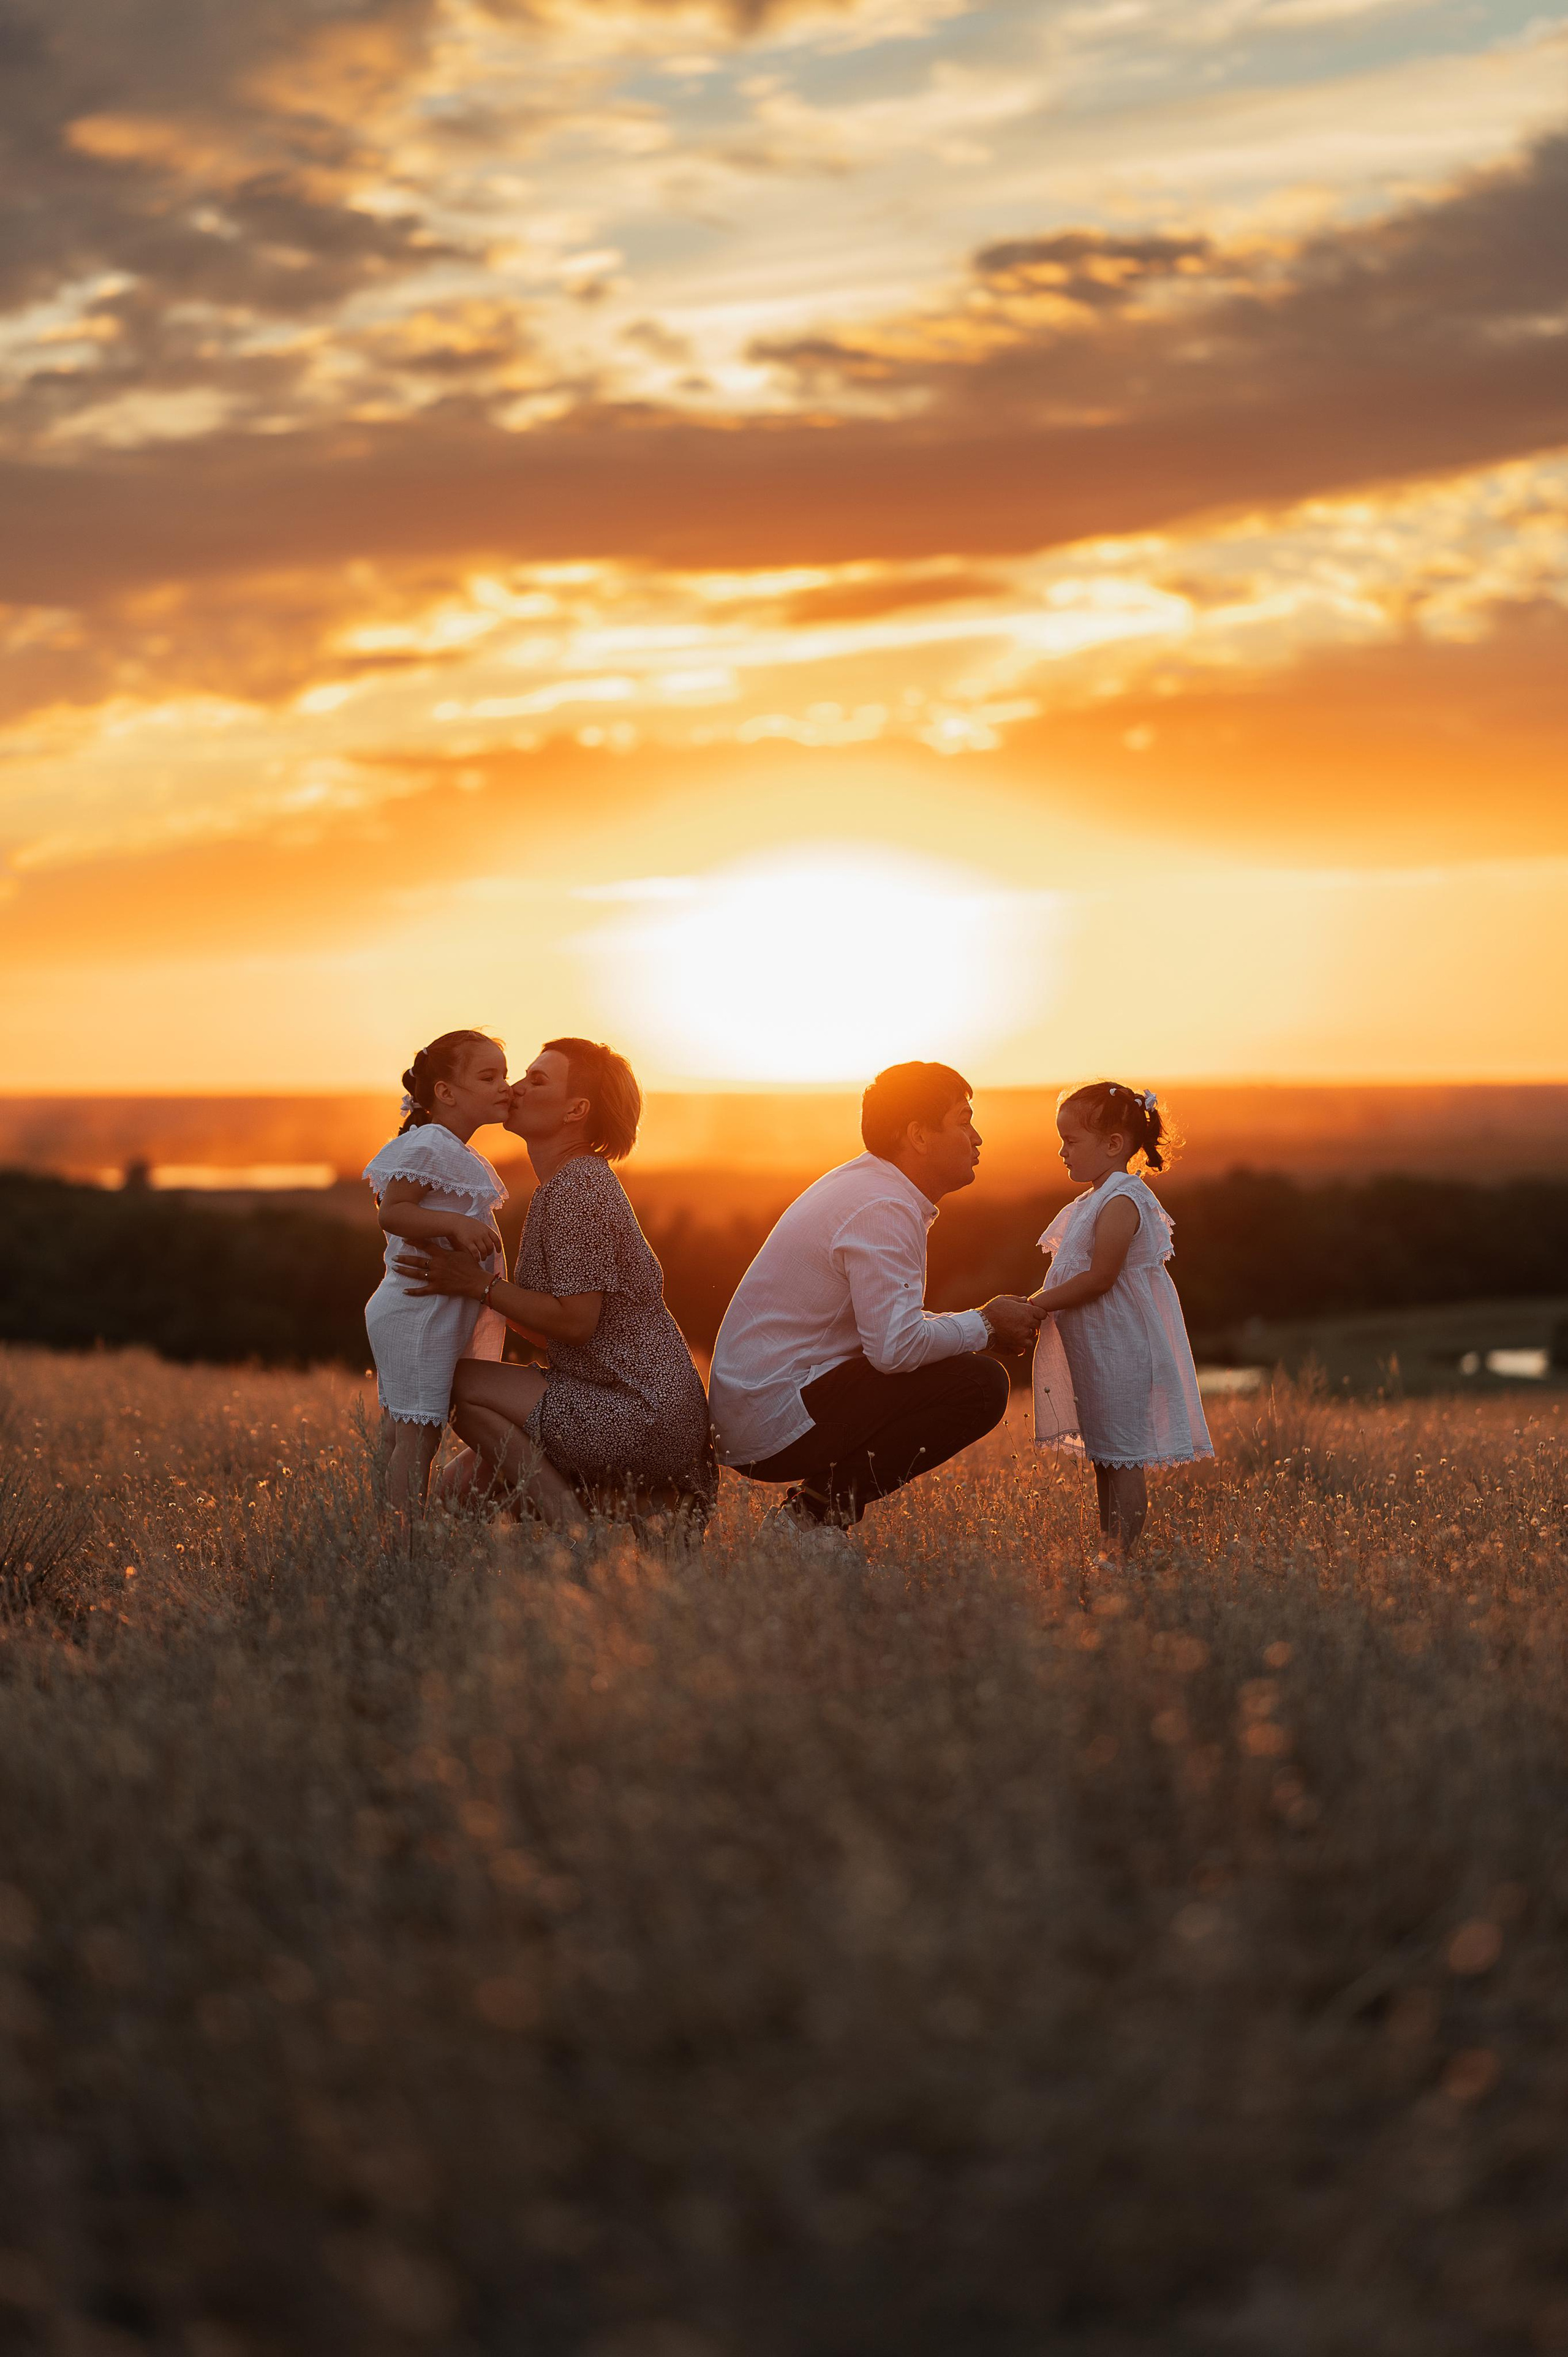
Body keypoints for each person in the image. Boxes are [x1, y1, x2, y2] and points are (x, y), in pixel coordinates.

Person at [707, 1061, 1040, 1548]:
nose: (978, 1137)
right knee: (980, 1385)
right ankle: (810, 1523)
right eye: (964, 1120)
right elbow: (895, 1349)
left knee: (960, 1370)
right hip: (771, 1419)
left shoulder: (872, 1187)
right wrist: (987, 1325)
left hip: (760, 1408)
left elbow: (889, 1335)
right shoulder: (883, 1206)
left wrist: (977, 1325)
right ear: (918, 1136)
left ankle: (809, 1518)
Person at [394, 1039, 715, 1531]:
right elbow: (557, 1331)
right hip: (622, 1401)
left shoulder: (577, 1190)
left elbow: (576, 1322)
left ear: (576, 1110)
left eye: (537, 1080)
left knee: (456, 1383)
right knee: (460, 1492)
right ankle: (635, 1507)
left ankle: (576, 1529)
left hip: (642, 1412)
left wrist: (477, 1284)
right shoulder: (568, 1184)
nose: (515, 1087)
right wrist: (472, 1294)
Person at [1029, 1080, 1212, 1557]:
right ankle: (1109, 1551)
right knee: (1106, 1458)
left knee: (1124, 1460)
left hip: (1123, 1353)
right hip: (1100, 1355)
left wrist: (1037, 1304)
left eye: (1071, 1141)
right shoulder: (1095, 1199)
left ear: (1113, 1144)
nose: (1062, 1151)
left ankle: (1122, 1558)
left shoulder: (1123, 1198)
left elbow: (1101, 1277)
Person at [362, 1030, 513, 1514]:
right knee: (416, 1435)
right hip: (417, 1312)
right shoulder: (430, 1143)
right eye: (488, 1077)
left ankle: (389, 1537)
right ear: (446, 1092)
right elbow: (393, 1212)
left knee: (407, 1431)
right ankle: (400, 1545)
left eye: (504, 1075)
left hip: (432, 1309)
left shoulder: (452, 1149)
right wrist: (456, 1222)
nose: (504, 1086)